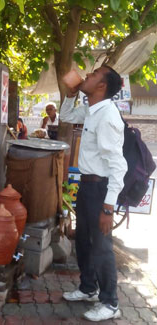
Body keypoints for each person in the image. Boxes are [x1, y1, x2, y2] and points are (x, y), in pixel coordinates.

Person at [60, 66, 127, 322]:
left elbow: (118, 165)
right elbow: (66, 115)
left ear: (102, 86)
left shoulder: (108, 116)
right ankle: (88, 288)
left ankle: (110, 303)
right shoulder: (92, 110)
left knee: (101, 247)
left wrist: (108, 207)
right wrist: (71, 93)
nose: (86, 75)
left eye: (94, 74)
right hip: (86, 186)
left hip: (100, 189)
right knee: (83, 242)